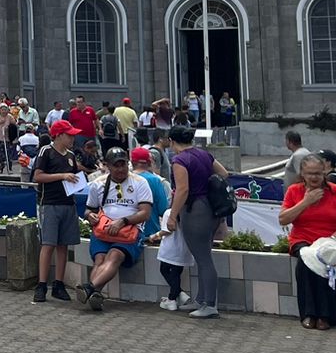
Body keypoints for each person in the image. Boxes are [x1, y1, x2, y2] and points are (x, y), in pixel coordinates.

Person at [279, 152, 336, 331]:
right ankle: (309, 314)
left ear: (324, 174)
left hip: (331, 240)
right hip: (303, 239)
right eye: (310, 174)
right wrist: (306, 202)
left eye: (318, 174)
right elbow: (283, 219)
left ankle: (325, 316)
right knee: (307, 262)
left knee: (324, 260)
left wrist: (330, 240)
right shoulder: (294, 191)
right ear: (302, 174)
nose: (314, 178)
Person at [164, 124, 231, 321]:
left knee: (203, 258)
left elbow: (182, 190)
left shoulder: (179, 160)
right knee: (203, 255)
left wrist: (172, 215)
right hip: (210, 208)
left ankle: (210, 304)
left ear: (171, 141)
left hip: (194, 209)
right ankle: (201, 299)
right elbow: (224, 173)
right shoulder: (203, 154)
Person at [77, 147, 153, 312]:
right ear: (107, 166)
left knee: (115, 255)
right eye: (116, 165)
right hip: (103, 230)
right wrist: (90, 216)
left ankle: (89, 289)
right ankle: (95, 294)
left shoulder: (140, 183)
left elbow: (145, 213)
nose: (120, 169)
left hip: (129, 232)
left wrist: (122, 222)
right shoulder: (98, 184)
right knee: (100, 259)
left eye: (123, 164)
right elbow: (89, 209)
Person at [30, 120, 81, 303]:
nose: (72, 138)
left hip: (68, 203)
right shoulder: (46, 151)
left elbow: (75, 176)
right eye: (69, 135)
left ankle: (59, 283)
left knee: (63, 245)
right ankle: (42, 284)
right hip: (49, 203)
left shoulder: (71, 155)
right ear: (59, 135)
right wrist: (61, 176)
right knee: (48, 244)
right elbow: (37, 176)